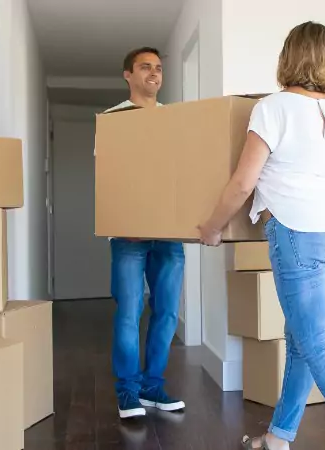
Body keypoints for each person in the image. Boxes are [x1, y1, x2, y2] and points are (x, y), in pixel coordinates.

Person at [198, 22, 325, 450]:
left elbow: (242, 183)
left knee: (317, 346)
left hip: (298, 234)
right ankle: (278, 436)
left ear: (288, 57)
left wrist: (211, 227)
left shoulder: (273, 107)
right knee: (302, 340)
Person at [102, 47, 186, 419]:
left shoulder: (176, 121)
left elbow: (184, 172)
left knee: (166, 312)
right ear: (128, 74)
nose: (154, 73)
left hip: (168, 232)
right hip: (128, 235)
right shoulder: (114, 120)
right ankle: (128, 391)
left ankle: (153, 387)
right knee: (129, 312)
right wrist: (125, 220)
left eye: (158, 68)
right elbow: (109, 176)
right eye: (145, 67)